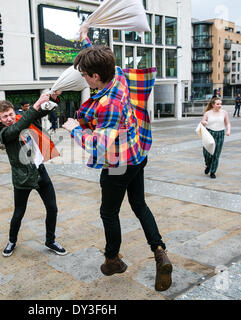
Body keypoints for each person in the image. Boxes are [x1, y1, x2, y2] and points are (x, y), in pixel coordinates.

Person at [61, 24, 172, 292]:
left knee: (108, 212)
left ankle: (112, 259)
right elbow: (97, 55)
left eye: (86, 76)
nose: (84, 80)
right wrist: (84, 35)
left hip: (118, 165)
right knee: (139, 204)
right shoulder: (118, 74)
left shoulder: (108, 103)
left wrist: (73, 128)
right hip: (137, 155)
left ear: (96, 76)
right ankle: (159, 252)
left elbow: (98, 146)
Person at [0, 95, 67, 257]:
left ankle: (50, 240)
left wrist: (52, 98)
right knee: (19, 212)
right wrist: (36, 103)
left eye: (11, 114)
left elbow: (36, 114)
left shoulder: (20, 119)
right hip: (22, 177)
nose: (9, 119)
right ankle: (12, 241)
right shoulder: (4, 133)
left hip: (40, 171)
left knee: (52, 208)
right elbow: (19, 127)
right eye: (5, 116)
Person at [200, 97, 231, 179]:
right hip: (209, 133)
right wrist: (203, 122)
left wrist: (228, 131)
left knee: (216, 154)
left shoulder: (224, 113)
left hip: (220, 134)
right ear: (213, 105)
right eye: (218, 104)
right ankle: (208, 165)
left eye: (220, 104)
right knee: (206, 153)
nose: (220, 105)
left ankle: (213, 172)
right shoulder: (207, 113)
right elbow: (203, 122)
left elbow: (227, 123)